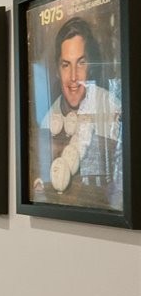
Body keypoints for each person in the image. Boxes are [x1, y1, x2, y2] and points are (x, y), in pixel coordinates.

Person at [36, 16, 121, 201]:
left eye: (81, 63)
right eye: (66, 65)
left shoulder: (111, 107)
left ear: (90, 66)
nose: (74, 76)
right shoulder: (48, 121)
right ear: (58, 70)